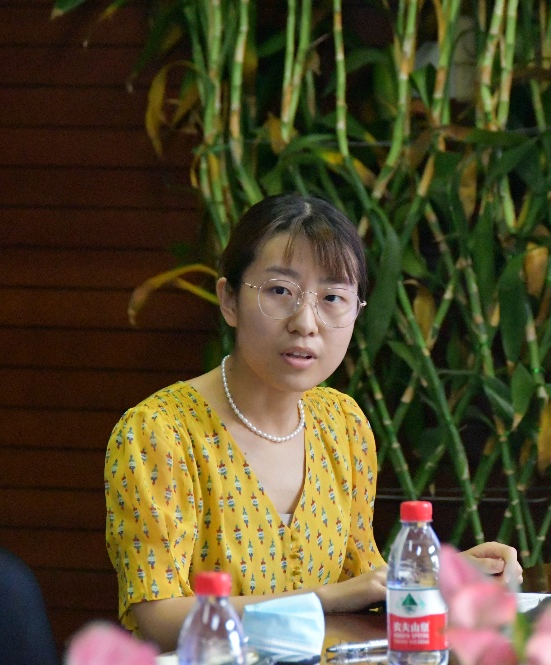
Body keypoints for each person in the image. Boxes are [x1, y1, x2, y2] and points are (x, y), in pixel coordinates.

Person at [105, 194, 522, 650]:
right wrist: (321, 600)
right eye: (280, 291)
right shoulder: (159, 432)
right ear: (229, 300)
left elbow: (363, 582)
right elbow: (159, 616)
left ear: (357, 312)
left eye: (332, 298)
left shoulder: (343, 424)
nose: (306, 322)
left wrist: (441, 574)